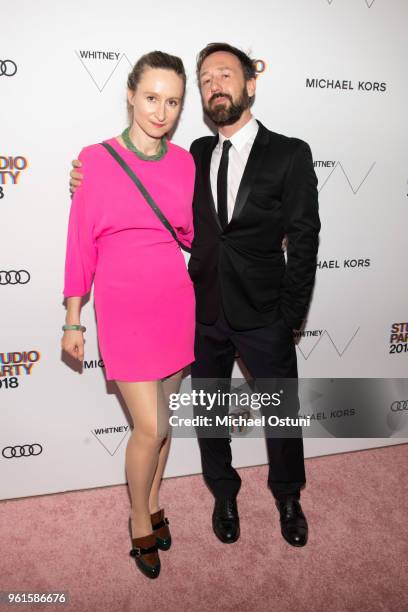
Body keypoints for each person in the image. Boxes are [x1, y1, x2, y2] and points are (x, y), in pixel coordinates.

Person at [70, 42, 320, 549]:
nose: (215, 86)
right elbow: (173, 218)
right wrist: (86, 178)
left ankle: (288, 496)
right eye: (206, 80)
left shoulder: (289, 152)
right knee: (208, 413)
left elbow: (306, 237)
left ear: (251, 83)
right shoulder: (196, 155)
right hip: (201, 311)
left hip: (263, 312)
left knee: (280, 410)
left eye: (225, 75)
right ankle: (223, 494)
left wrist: (290, 316)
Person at [62, 51, 196, 579]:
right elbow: (80, 245)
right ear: (130, 94)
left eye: (173, 101)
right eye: (151, 98)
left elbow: (192, 234)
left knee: (163, 427)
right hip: (123, 306)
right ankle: (139, 518)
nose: (160, 111)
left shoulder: (186, 162)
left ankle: (156, 499)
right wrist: (73, 318)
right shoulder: (93, 161)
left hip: (174, 302)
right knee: (153, 423)